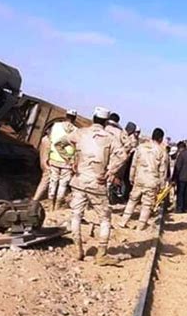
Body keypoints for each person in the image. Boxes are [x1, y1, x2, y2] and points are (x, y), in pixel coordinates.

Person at [65, 106, 127, 265]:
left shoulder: (81, 133)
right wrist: (110, 171)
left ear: (93, 118)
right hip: (97, 183)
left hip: (79, 181)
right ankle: (101, 254)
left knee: (76, 215)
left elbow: (61, 143)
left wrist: (72, 160)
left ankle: (78, 249)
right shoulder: (110, 137)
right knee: (105, 217)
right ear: (106, 122)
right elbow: (123, 155)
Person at [120, 128, 167, 229]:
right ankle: (140, 226)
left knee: (132, 200)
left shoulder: (140, 147)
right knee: (147, 204)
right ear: (161, 139)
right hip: (152, 181)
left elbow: (134, 164)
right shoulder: (161, 151)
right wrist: (162, 185)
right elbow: (162, 171)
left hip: (139, 178)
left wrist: (131, 177)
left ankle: (123, 221)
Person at [48, 109, 78, 209]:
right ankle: (57, 205)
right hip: (68, 161)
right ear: (74, 118)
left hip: (54, 158)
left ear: (66, 116)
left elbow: (51, 139)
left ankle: (50, 204)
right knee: (63, 184)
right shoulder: (76, 131)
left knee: (53, 181)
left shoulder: (55, 126)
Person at [33, 132, 51, 202]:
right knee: (46, 180)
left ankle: (36, 198)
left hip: (43, 162)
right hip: (48, 163)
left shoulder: (44, 139)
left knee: (45, 180)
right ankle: (35, 199)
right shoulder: (48, 140)